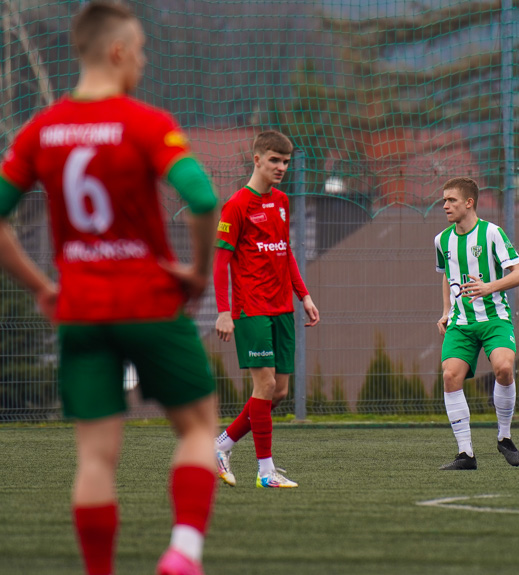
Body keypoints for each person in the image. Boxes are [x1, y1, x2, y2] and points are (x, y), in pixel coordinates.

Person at [0, 2, 220, 574]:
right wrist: (196, 272)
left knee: (95, 456)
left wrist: (41, 286)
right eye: (141, 50)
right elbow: (200, 199)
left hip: (81, 308)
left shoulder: (39, 132)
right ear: (118, 50)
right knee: (197, 426)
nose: (143, 62)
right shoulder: (146, 122)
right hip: (148, 300)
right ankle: (183, 552)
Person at [212, 130, 320, 488]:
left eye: (286, 161)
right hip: (251, 309)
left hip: (281, 308)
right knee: (266, 383)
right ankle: (265, 471)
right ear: (257, 159)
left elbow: (284, 250)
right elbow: (220, 262)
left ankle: (222, 445)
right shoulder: (236, 205)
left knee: (279, 392)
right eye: (274, 160)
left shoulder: (283, 201)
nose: (281, 167)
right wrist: (224, 311)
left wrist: (303, 295)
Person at [434, 177, 519, 470]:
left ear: (469, 202)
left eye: (451, 200)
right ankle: (466, 454)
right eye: (444, 200)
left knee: (503, 369)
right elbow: (446, 274)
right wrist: (446, 311)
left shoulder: (492, 233)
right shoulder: (442, 240)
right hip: (461, 323)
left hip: (493, 319)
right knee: (450, 376)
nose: (445, 205)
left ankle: (504, 438)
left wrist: (490, 287)